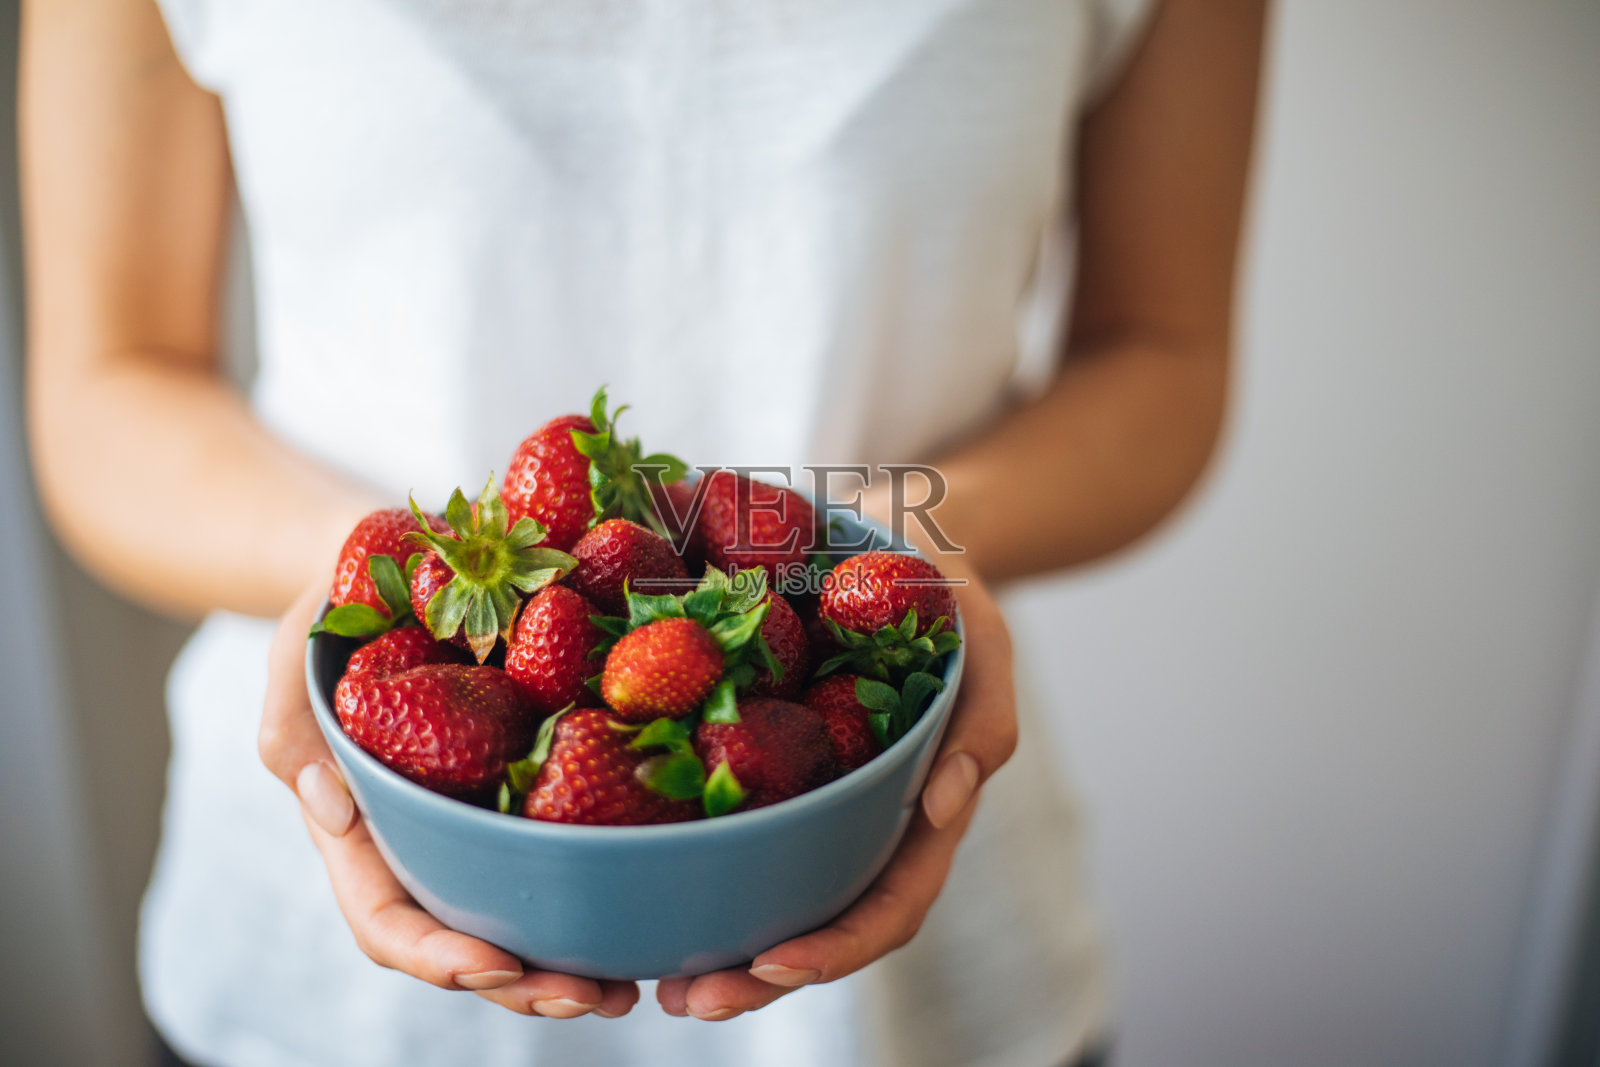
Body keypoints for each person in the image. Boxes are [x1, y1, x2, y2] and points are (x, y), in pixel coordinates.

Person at [21, 0, 1263, 1064]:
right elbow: (109, 386)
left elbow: (1159, 360)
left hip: (915, 933)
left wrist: (887, 551)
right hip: (325, 963)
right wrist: (368, 576)